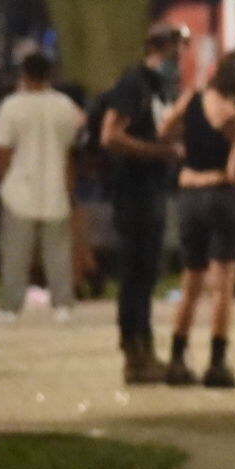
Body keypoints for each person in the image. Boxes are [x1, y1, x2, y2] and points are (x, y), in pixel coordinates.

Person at [158, 48, 235, 388]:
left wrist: (184, 147)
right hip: (221, 198)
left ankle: (176, 358)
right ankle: (216, 363)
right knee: (222, 287)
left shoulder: (190, 99)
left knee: (190, 283)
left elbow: (165, 130)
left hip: (188, 197)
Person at [100, 22, 188, 383]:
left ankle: (146, 349)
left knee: (148, 272)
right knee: (135, 273)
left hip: (154, 188)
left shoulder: (163, 88)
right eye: (179, 48)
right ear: (161, 48)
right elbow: (110, 135)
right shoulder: (133, 84)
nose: (182, 56)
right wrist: (159, 152)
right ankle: (134, 353)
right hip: (133, 190)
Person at [0, 51, 85, 320]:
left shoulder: (11, 106)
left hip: (20, 187)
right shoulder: (64, 105)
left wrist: (3, 182)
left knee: (15, 252)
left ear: (23, 74)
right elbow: (70, 150)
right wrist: (69, 185)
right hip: (55, 185)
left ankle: (10, 306)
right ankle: (63, 304)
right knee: (57, 251)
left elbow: (1, 149)